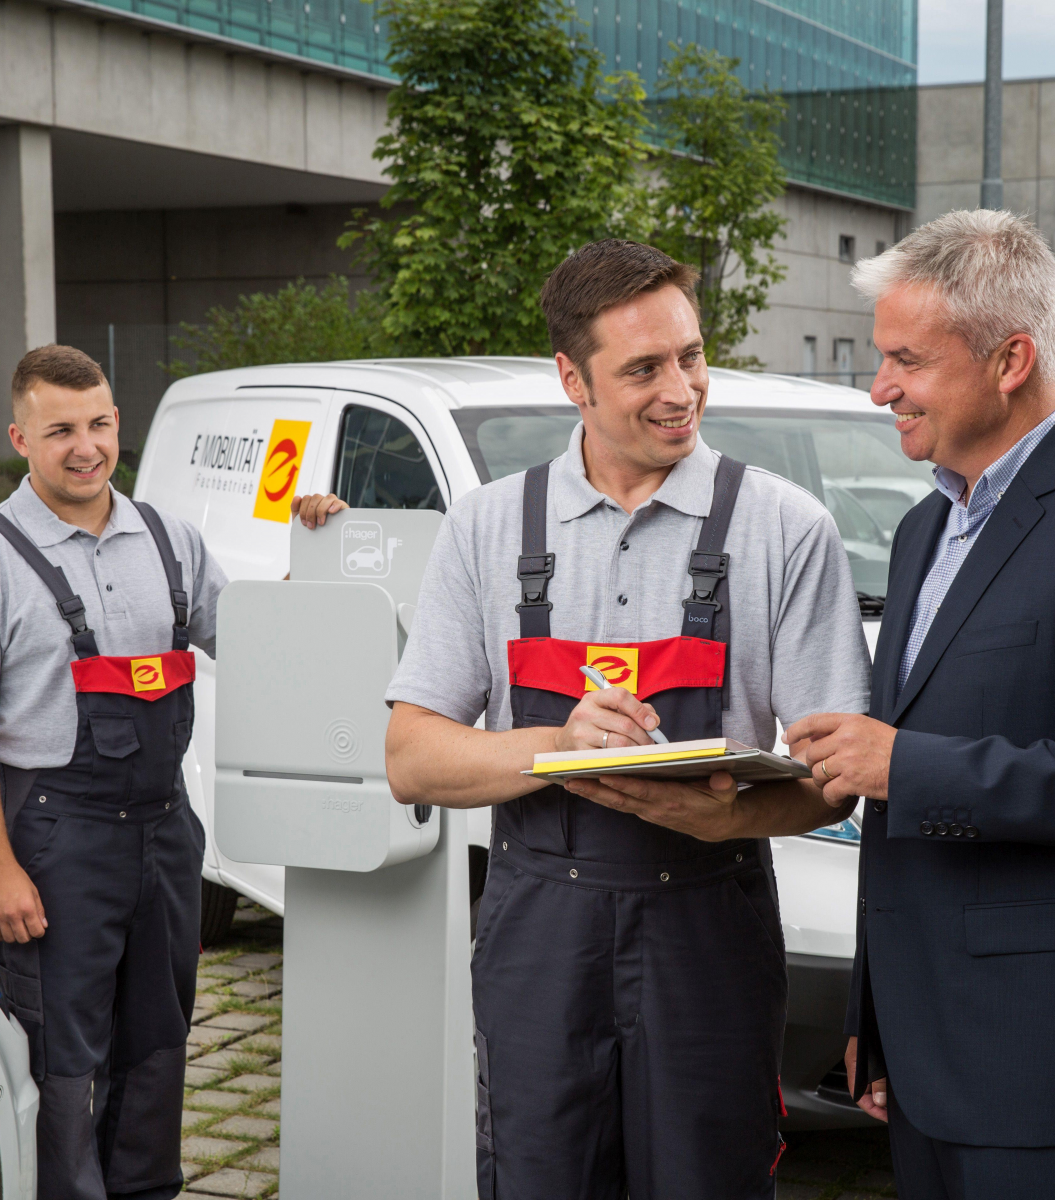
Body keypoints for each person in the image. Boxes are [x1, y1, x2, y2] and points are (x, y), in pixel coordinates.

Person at [373, 239, 871, 1200]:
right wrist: (554, 745)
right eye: (643, 369)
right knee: (539, 1177)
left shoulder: (784, 527)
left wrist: (735, 815)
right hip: (538, 929)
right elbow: (411, 759)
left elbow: (834, 776)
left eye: (690, 355)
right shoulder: (488, 529)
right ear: (574, 379)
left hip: (708, 929)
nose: (680, 388)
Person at [786, 210, 1055, 1200]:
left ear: (1010, 359)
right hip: (929, 1050)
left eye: (907, 360)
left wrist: (905, 765)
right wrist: (878, 1020)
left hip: (1053, 1061)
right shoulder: (920, 529)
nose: (880, 387)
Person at [0, 345, 229, 1200]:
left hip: (165, 835)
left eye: (97, 424)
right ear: (21, 436)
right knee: (60, 1059)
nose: (84, 447)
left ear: (117, 422)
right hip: (57, 840)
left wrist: (322, 543)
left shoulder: (171, 542)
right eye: (60, 431)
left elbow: (262, 639)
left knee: (159, 1043)